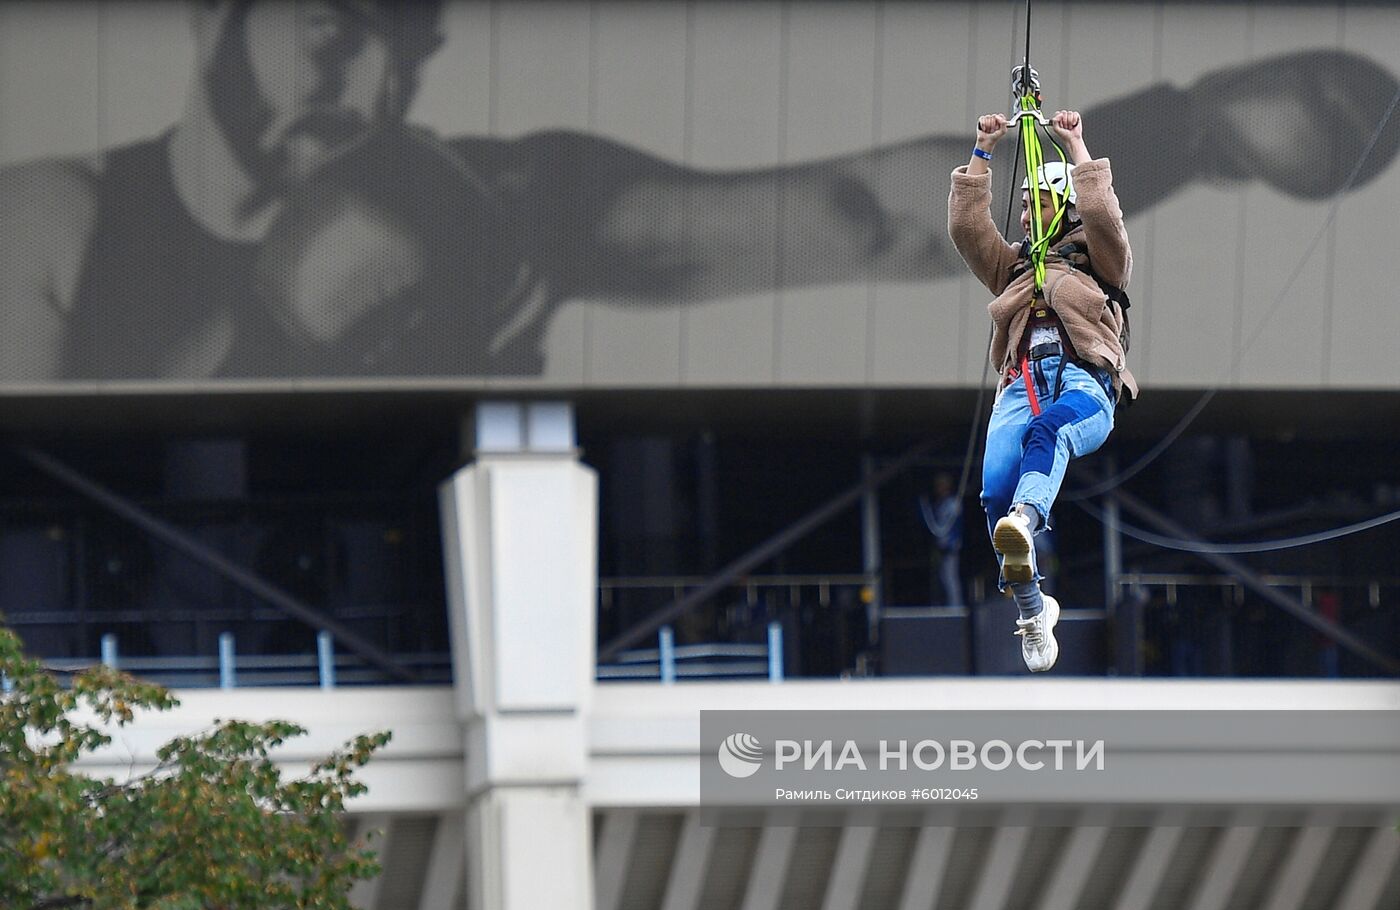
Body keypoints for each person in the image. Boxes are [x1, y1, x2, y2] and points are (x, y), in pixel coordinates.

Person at [0, 2, 1396, 381]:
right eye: (320, 20)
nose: (347, 72)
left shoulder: (501, 201)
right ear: (207, 15)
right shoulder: (55, 222)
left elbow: (851, 214)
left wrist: (1179, 139)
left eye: (387, 43)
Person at [948, 108, 1132, 673]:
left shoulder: (1099, 263)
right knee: (993, 495)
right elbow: (968, 230)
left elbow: (1104, 214)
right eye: (1024, 205)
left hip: (1083, 383)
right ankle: (1033, 606)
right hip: (1021, 382)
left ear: (1064, 206)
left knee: (1045, 435)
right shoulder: (1015, 270)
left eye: (1037, 203)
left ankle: (1029, 519)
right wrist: (984, 150)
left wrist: (1075, 145)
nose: (1027, 214)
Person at [919, 472, 964, 607]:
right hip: (941, 547)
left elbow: (954, 527)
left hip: (950, 548)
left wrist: (951, 543)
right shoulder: (940, 504)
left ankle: (955, 608)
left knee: (950, 578)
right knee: (942, 579)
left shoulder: (953, 504)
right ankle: (947, 606)